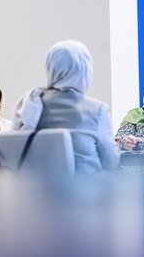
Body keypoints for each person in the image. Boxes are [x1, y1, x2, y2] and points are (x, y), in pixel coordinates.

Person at [12, 40, 120, 175]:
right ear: (85, 69)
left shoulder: (29, 103)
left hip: (38, 191)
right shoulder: (97, 110)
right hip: (85, 193)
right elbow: (110, 162)